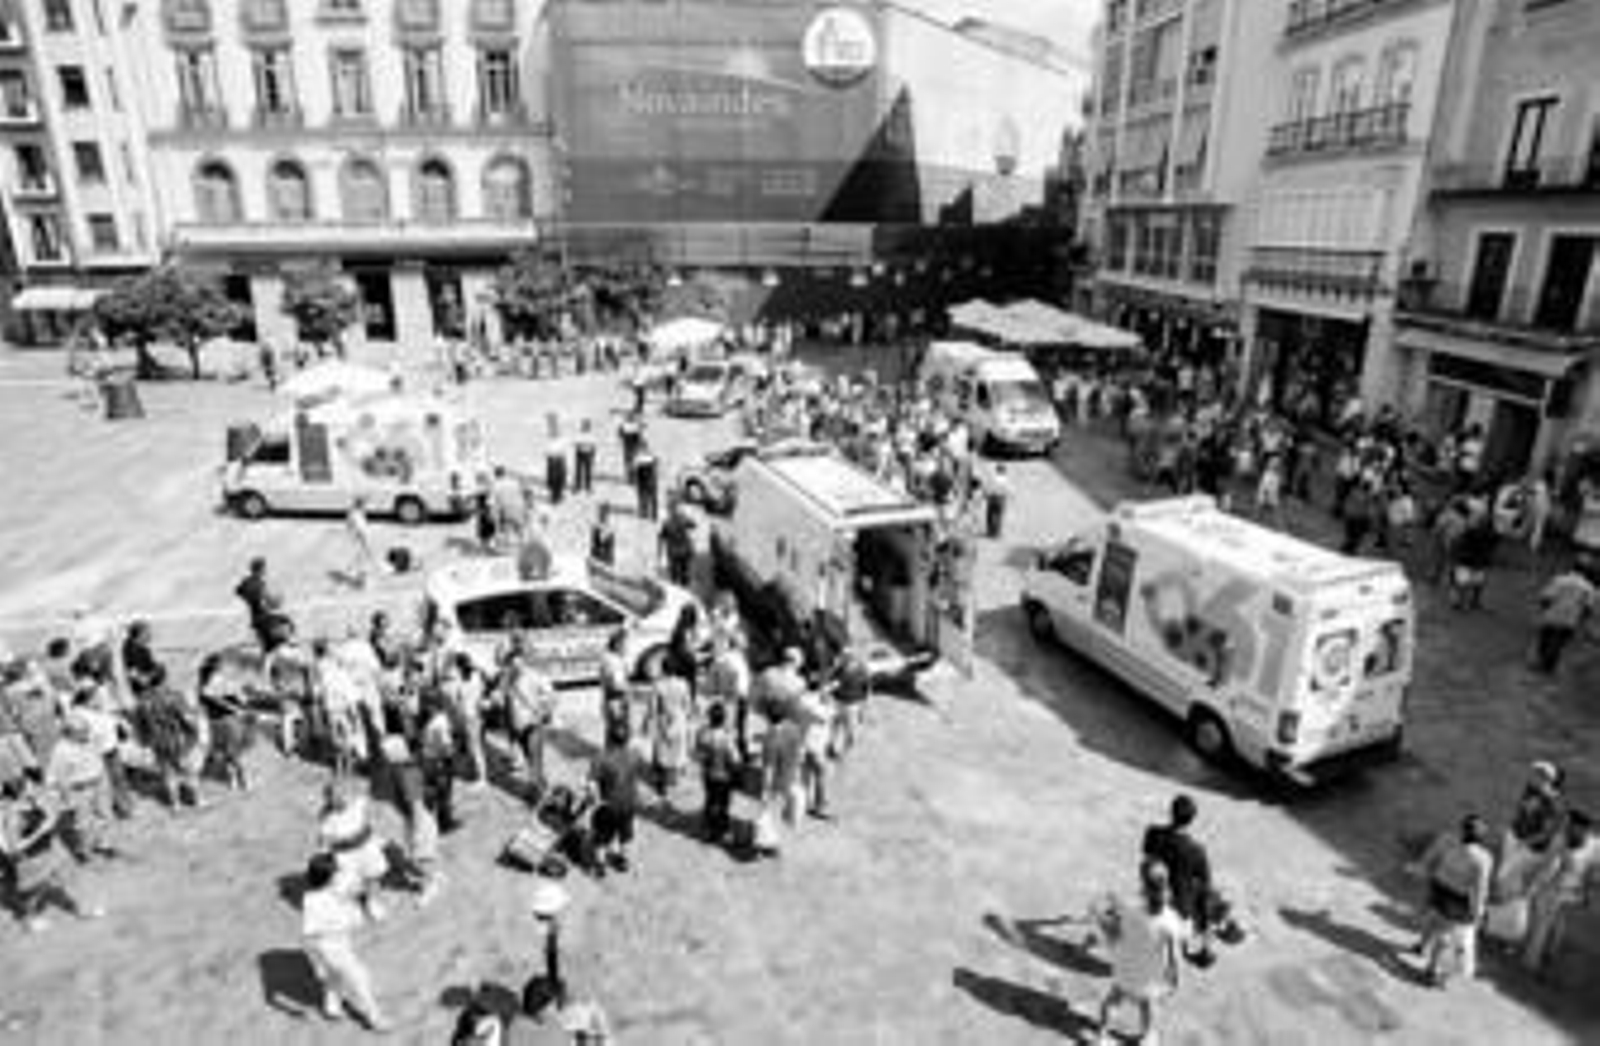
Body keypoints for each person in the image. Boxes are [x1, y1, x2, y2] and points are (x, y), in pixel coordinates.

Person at [0, 771, 104, 933]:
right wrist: (40, 832)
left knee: (67, 877)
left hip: (48, 850)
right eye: (29, 786)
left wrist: (51, 817)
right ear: (19, 792)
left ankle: (81, 909)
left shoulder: (32, 802)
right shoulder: (12, 816)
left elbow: (51, 814)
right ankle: (28, 919)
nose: (33, 788)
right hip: (29, 859)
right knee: (34, 892)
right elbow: (14, 848)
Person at [1094, 860, 1183, 1046]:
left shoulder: (1130, 908)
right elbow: (1175, 957)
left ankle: (1102, 1036)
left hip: (1124, 968)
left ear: (1144, 888)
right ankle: (1147, 1037)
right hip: (1149, 976)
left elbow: (1113, 928)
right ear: (1167, 894)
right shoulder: (1171, 922)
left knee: (1112, 1001)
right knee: (1148, 1006)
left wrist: (1102, 912)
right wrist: (1175, 980)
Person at [300, 851, 390, 1031]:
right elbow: (310, 934)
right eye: (337, 872)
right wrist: (317, 961)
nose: (340, 874)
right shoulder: (316, 901)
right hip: (333, 948)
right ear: (328, 878)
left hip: (335, 946)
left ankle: (332, 1007)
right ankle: (375, 1018)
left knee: (333, 977)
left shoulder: (318, 896)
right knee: (360, 979)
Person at [1405, 814, 1494, 987]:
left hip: (1439, 887)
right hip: (1457, 899)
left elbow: (1427, 860)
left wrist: (1417, 870)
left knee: (1432, 918)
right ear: (1481, 838)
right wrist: (1478, 912)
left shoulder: (1446, 840)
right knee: (1444, 935)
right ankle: (1431, 971)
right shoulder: (1484, 859)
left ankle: (1421, 946)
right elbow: (1480, 889)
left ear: (1462, 829)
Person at [1142, 794, 1223, 963]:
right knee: (1208, 894)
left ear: (1170, 812)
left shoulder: (1153, 833)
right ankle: (1202, 943)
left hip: (1154, 895)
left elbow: (1148, 857)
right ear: (1192, 820)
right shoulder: (1197, 851)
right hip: (1180, 908)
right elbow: (1206, 884)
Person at [1522, 811, 1599, 974]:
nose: (1570, 828)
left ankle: (1547, 958)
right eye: (1570, 824)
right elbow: (1548, 864)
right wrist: (1535, 885)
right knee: (1541, 927)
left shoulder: (1595, 846)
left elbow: (1593, 872)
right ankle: (1531, 962)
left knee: (1557, 929)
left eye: (1575, 826)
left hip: (1572, 893)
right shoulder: (1561, 839)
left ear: (1585, 828)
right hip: (1554, 889)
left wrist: (1587, 893)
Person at [503, 644, 556, 802]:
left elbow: (551, 696)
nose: (515, 666)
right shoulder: (509, 680)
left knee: (535, 760)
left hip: (533, 725)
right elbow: (507, 702)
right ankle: (542, 789)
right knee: (530, 759)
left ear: (523, 661)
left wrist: (542, 712)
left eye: (518, 663)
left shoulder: (535, 676)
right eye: (512, 664)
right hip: (519, 726)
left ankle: (538, 795)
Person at [588, 722, 640, 873]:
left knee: (602, 838)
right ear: (627, 738)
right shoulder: (635, 755)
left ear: (608, 736)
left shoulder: (601, 757)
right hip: (629, 804)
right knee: (625, 834)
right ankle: (623, 862)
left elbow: (591, 784)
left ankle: (600, 866)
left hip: (609, 805)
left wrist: (595, 802)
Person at [1531, 564, 1595, 674]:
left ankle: (1543, 662)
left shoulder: (1560, 580)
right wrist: (1582, 620)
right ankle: (1548, 665)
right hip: (1571, 619)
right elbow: (1588, 607)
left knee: (1545, 639)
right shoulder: (1588, 587)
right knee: (1559, 643)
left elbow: (1547, 596)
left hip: (1553, 615)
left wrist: (1543, 609)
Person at [644, 660, 693, 798]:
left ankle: (662, 783)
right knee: (677, 749)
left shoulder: (659, 685)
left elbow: (653, 707)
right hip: (679, 718)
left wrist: (649, 721)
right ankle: (674, 778)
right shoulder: (683, 684)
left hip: (664, 718)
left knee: (663, 750)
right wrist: (686, 718)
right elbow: (687, 705)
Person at [695, 702, 738, 845]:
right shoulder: (727, 736)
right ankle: (724, 832)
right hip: (724, 775)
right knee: (723, 804)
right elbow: (734, 757)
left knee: (710, 800)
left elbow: (698, 754)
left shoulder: (703, 733)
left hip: (708, 774)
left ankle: (709, 830)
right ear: (724, 718)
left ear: (710, 718)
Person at [234, 558, 286, 653]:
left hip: (255, 618)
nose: (265, 571)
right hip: (264, 619)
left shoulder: (246, 582)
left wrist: (248, 599)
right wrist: (279, 600)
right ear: (260, 570)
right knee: (286, 623)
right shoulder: (260, 584)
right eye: (264, 568)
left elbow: (238, 591)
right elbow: (270, 603)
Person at [658, 501, 696, 587]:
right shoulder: (681, 519)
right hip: (683, 550)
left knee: (676, 575)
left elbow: (662, 536)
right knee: (684, 574)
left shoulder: (667, 522)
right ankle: (684, 588)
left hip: (675, 552)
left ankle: (679, 588)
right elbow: (693, 525)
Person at [345, 498, 378, 589]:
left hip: (356, 541)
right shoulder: (356, 516)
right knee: (362, 562)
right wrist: (367, 546)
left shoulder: (352, 514)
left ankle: (359, 581)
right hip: (360, 541)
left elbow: (349, 527)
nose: (366, 508)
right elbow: (361, 531)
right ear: (361, 506)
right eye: (364, 506)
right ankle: (361, 584)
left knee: (359, 561)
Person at [634, 440, 660, 522]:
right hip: (649, 477)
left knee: (644, 495)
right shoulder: (651, 456)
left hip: (644, 477)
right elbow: (656, 464)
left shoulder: (639, 457)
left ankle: (646, 512)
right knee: (650, 496)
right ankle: (651, 514)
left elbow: (635, 467)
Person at [588, 502, 616, 567]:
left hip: (605, 562)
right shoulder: (595, 528)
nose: (602, 514)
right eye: (601, 512)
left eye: (604, 513)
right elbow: (593, 546)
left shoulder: (610, 530)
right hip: (597, 560)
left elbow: (610, 550)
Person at [574, 419, 597, 495]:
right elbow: (576, 443)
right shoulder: (580, 434)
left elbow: (593, 446)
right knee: (579, 471)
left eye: (586, 426)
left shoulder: (591, 435)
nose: (584, 427)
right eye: (583, 425)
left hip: (588, 454)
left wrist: (593, 455)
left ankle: (588, 486)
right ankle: (578, 486)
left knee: (588, 471)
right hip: (580, 453)